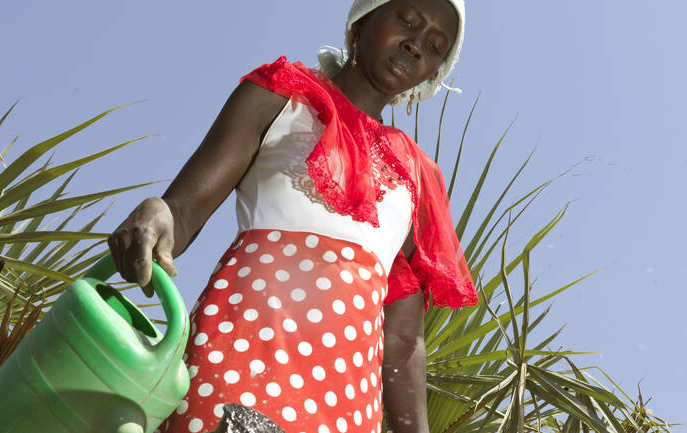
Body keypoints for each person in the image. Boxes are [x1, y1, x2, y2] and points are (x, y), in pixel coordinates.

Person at [107, 0, 479, 432]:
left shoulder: (419, 176)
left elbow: (402, 339)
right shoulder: (280, 97)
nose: (417, 46)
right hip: (238, 362)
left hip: (345, 407)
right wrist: (159, 212)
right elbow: (184, 212)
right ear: (361, 21)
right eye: (407, 21)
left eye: (436, 46)